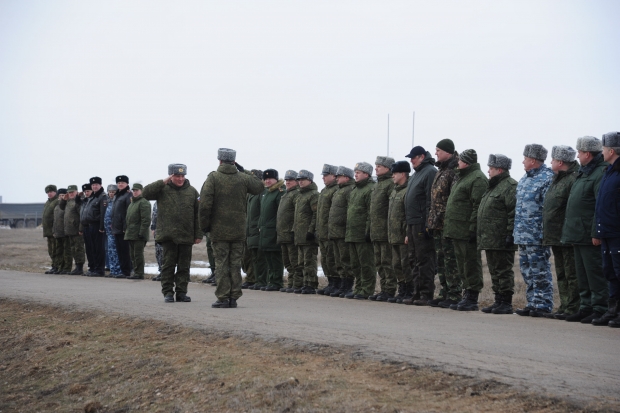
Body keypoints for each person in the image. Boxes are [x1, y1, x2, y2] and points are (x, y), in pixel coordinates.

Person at [199, 148, 264, 308]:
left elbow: (205, 205)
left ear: (219, 160)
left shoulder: (213, 178)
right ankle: (233, 297)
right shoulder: (242, 178)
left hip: (219, 230)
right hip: (238, 230)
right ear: (234, 161)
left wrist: (204, 226)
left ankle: (222, 297)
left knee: (221, 263)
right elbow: (259, 187)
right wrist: (244, 170)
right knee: (235, 263)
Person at [562, 136, 609, 323]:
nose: (578, 156)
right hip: (577, 233)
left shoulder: (599, 173)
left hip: (589, 234)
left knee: (595, 273)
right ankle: (586, 307)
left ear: (588, 154)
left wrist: (596, 232)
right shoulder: (584, 172)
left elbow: (600, 205)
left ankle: (600, 308)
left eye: (579, 153)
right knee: (582, 274)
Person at [143, 164, 202, 303]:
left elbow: (198, 214)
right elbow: (145, 193)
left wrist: (198, 234)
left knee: (184, 266)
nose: (180, 179)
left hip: (186, 235)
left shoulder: (192, 192)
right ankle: (168, 292)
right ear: (171, 176)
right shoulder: (162, 189)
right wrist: (163, 182)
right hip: (168, 235)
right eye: (177, 176)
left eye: (182, 176)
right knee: (168, 265)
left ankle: (181, 292)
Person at [444, 149, 488, 311]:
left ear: (467, 162)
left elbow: (478, 206)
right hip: (457, 230)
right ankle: (466, 293)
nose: (457, 162)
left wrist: (472, 228)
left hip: (466, 231)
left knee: (470, 263)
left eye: (460, 160)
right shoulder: (462, 177)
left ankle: (472, 296)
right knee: (462, 264)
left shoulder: (477, 179)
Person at [513, 144, 554, 317]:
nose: (522, 161)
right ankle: (533, 302)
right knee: (527, 270)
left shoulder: (547, 178)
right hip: (522, 234)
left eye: (525, 158)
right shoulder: (525, 178)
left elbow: (548, 208)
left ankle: (543, 304)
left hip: (537, 235)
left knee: (540, 271)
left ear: (533, 160)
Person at [542, 145, 580, 319]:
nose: (551, 162)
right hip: (556, 235)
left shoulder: (573, 179)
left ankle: (574, 307)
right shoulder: (557, 178)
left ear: (561, 162)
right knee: (562, 272)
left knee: (571, 273)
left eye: (553, 159)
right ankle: (565, 306)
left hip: (567, 235)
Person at [477, 155, 517, 314]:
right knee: (494, 270)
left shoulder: (510, 186)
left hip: (502, 238)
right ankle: (498, 300)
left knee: (503, 271)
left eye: (491, 168)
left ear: (499, 169)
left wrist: (510, 234)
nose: (488, 171)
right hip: (491, 238)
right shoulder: (492, 186)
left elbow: (513, 212)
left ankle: (506, 302)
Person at [427, 139, 460, 307]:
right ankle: (445, 292)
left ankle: (454, 294)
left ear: (448, 152)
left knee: (450, 260)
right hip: (437, 223)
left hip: (448, 223)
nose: (436, 153)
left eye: (438, 150)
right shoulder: (441, 170)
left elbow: (453, 199)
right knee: (441, 260)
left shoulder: (454, 171)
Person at [404, 146, 437, 305]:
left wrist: (428, 224)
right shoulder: (416, 174)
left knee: (424, 259)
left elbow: (430, 200)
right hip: (412, 223)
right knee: (413, 259)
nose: (411, 160)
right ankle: (416, 292)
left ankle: (426, 294)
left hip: (421, 222)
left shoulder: (430, 171)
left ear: (422, 156)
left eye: (414, 157)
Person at [596, 131, 620, 328]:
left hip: (617, 233)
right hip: (607, 233)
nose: (602, 152)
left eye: (604, 149)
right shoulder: (608, 172)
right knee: (610, 272)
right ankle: (613, 310)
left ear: (611, 150)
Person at [346, 162, 376, 300]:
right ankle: (358, 288)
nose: (355, 174)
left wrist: (368, 231)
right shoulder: (354, 190)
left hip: (362, 234)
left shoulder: (370, 189)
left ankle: (367, 289)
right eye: (355, 172)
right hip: (352, 233)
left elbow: (371, 212)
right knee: (355, 264)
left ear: (366, 174)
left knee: (366, 263)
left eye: (358, 172)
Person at [369, 156, 395, 301]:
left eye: (379, 166)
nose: (376, 168)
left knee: (387, 261)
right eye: (376, 165)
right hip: (376, 231)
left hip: (385, 231)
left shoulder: (390, 184)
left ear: (388, 168)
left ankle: (389, 289)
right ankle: (384, 288)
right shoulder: (377, 185)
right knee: (379, 262)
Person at [328, 166, 356, 298]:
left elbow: (350, 211)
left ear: (346, 177)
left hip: (343, 231)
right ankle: (341, 285)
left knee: (346, 260)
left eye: (339, 176)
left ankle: (347, 285)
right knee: (338, 261)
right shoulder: (338, 191)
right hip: (334, 232)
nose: (337, 178)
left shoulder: (349, 190)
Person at [387, 161, 412, 304]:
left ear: (403, 174)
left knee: (405, 264)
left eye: (395, 173)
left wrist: (408, 233)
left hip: (403, 235)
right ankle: (402, 289)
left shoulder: (407, 191)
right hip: (393, 235)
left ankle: (409, 290)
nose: (393, 176)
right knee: (396, 264)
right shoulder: (395, 190)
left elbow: (408, 215)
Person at [258, 169, 285, 291]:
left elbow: (281, 213)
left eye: (270, 179)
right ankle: (271, 280)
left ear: (276, 179)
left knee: (275, 257)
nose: (267, 181)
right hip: (265, 230)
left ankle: (277, 281)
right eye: (266, 179)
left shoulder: (279, 192)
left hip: (273, 230)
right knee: (268, 257)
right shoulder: (267, 193)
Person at [294, 170, 320, 294]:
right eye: (299, 180)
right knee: (301, 262)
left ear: (310, 180)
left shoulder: (313, 194)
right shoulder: (300, 195)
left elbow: (316, 214)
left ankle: (311, 283)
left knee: (309, 260)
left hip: (308, 235)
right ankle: (305, 282)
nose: (300, 182)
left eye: (303, 179)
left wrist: (311, 230)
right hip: (299, 234)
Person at [316, 165, 340, 295]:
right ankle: (331, 283)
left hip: (331, 232)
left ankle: (337, 284)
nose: (323, 178)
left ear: (333, 176)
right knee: (325, 260)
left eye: (326, 175)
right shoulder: (325, 191)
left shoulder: (335, 190)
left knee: (332, 259)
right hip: (322, 232)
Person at [276, 170, 302, 292]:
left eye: (290, 180)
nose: (287, 182)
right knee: (287, 261)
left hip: (291, 233)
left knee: (294, 260)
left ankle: (297, 283)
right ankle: (291, 283)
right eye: (286, 180)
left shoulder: (296, 194)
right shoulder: (285, 195)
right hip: (283, 234)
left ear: (296, 181)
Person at [246, 170, 269, 290]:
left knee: (260, 258)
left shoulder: (262, 192)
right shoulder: (250, 194)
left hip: (258, 229)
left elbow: (262, 212)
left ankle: (261, 280)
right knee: (253, 257)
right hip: (250, 230)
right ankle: (254, 279)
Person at [124, 183, 151, 280]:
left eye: (137, 190)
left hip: (139, 234)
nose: (135, 192)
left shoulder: (143, 202)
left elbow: (146, 220)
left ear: (141, 191)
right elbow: (128, 219)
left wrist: (142, 232)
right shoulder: (132, 203)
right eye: (134, 190)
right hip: (131, 233)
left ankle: (139, 273)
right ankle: (136, 272)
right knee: (132, 254)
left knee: (138, 254)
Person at [59, 185, 86, 275]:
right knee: (73, 249)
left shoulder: (78, 202)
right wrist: (63, 200)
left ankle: (80, 267)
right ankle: (76, 267)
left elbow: (81, 216)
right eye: (69, 192)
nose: (70, 194)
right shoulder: (68, 201)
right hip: (70, 230)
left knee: (79, 249)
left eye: (72, 192)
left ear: (76, 192)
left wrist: (81, 229)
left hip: (77, 230)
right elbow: (61, 207)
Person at [82, 177, 107, 277]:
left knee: (98, 248)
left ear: (100, 185)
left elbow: (103, 213)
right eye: (93, 185)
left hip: (97, 226)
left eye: (96, 185)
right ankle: (92, 268)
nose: (94, 186)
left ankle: (99, 269)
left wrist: (101, 227)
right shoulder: (92, 197)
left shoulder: (102, 196)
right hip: (89, 226)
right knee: (91, 248)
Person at [111, 175, 132, 277]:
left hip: (124, 228)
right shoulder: (117, 195)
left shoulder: (128, 196)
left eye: (122, 183)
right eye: (118, 183)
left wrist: (125, 227)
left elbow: (128, 213)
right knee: (119, 251)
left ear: (127, 184)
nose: (120, 184)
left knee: (125, 251)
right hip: (117, 228)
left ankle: (126, 271)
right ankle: (122, 270)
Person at [103, 184, 122, 278]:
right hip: (108, 231)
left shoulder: (118, 201)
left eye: (113, 192)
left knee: (115, 251)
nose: (111, 194)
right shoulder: (108, 202)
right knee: (110, 251)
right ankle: (112, 269)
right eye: (110, 192)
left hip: (115, 231)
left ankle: (117, 270)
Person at [52, 188, 72, 274]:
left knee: (66, 251)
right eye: (60, 195)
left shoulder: (67, 205)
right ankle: (60, 267)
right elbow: (55, 220)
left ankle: (67, 268)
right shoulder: (57, 206)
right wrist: (54, 231)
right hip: (58, 232)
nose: (61, 197)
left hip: (65, 232)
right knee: (59, 251)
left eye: (63, 195)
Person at [42, 184, 60, 274]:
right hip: (48, 231)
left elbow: (56, 217)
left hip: (54, 230)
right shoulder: (48, 202)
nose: (49, 194)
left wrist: (55, 230)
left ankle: (57, 266)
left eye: (51, 192)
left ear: (55, 192)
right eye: (48, 192)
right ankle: (54, 266)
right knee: (51, 250)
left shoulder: (57, 201)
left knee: (55, 250)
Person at [79, 183, 93, 274]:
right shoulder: (85, 201)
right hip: (85, 227)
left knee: (93, 248)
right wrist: (79, 196)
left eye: (88, 191)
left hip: (92, 226)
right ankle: (91, 267)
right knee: (88, 249)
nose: (86, 193)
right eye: (85, 191)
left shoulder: (93, 200)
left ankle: (95, 267)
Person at [150, 201, 163, 281]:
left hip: (165, 230)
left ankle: (166, 273)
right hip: (157, 230)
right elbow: (154, 216)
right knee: (158, 252)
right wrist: (153, 227)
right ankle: (161, 271)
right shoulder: (156, 203)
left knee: (164, 252)